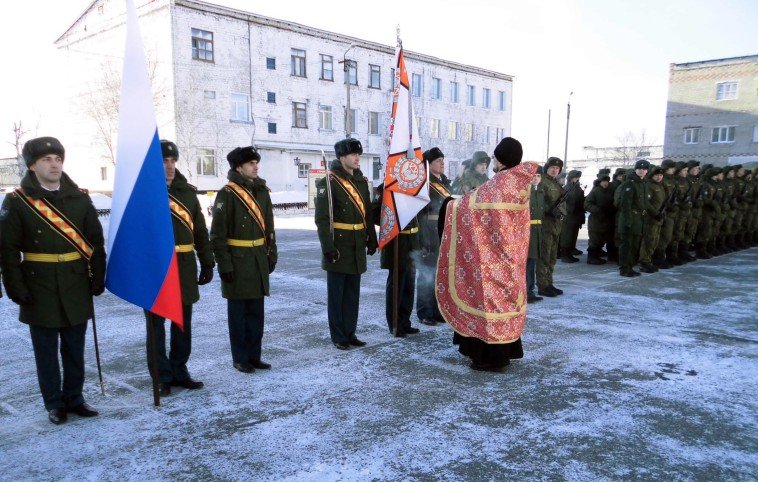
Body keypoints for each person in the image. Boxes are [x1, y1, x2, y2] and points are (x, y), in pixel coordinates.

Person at [0, 136, 106, 425]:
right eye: (47, 159)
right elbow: (7, 250)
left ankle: (75, 398)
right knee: (46, 351)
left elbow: (95, 242)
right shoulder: (17, 201)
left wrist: (98, 276)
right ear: (32, 165)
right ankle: (54, 403)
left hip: (75, 282)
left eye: (58, 158)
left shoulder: (80, 198)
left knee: (74, 347)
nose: (54, 163)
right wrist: (15, 287)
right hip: (39, 284)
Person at [436, 137, 536, 372]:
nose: (492, 160)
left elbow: (467, 207)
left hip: (491, 259)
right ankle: (505, 352)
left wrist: (449, 204)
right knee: (504, 302)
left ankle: (488, 357)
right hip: (511, 255)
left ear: (501, 160)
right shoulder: (518, 183)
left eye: (494, 156)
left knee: (488, 303)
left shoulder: (499, 184)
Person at [145, 140, 215, 396]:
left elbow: (199, 229)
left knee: (182, 323)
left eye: (173, 161)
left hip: (184, 265)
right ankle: (161, 376)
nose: (170, 166)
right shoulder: (143, 192)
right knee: (156, 326)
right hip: (156, 266)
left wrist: (207, 260)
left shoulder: (187, 192)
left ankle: (179, 370)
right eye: (164, 161)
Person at [211, 146, 277, 373]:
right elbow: (218, 235)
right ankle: (240, 357)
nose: (255, 166)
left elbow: (269, 227)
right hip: (238, 262)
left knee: (256, 313)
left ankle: (254, 355)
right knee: (238, 315)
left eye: (256, 162)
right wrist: (224, 264)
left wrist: (271, 253)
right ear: (239, 167)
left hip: (258, 258)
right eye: (251, 163)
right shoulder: (227, 194)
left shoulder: (261, 191)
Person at [315, 138, 378, 350]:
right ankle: (338, 335)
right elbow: (322, 219)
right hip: (339, 246)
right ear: (342, 157)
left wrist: (371, 237)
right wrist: (328, 247)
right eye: (353, 154)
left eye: (358, 154)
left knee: (352, 294)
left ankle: (350, 332)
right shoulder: (329, 181)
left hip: (356, 244)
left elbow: (367, 214)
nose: (357, 158)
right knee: (337, 295)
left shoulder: (360, 181)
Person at [416, 147, 451, 325]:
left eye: (443, 160)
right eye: (438, 161)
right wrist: (424, 239)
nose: (442, 163)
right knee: (426, 273)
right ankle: (424, 311)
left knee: (439, 274)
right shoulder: (425, 185)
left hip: (442, 230)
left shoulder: (445, 183)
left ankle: (437, 310)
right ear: (428, 165)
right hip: (429, 229)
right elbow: (420, 215)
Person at [537, 157, 566, 297]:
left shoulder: (556, 183)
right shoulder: (542, 182)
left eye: (557, 168)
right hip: (545, 225)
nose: (555, 170)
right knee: (544, 256)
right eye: (552, 168)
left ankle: (549, 282)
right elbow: (537, 201)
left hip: (555, 225)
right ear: (547, 168)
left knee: (552, 257)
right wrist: (549, 210)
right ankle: (542, 285)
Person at [615, 159, 649, 277]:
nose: (641, 171)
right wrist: (628, 220)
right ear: (635, 169)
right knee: (626, 245)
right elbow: (625, 203)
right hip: (629, 218)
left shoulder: (642, 183)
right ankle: (624, 268)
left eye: (644, 169)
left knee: (634, 245)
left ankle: (629, 267)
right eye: (639, 169)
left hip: (639, 219)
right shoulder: (630, 183)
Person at [639, 166, 666, 273]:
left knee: (654, 240)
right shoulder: (649, 186)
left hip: (658, 218)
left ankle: (649, 260)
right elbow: (647, 202)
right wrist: (655, 213)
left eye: (660, 175)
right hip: (650, 218)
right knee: (648, 241)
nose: (659, 177)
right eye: (656, 175)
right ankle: (644, 262)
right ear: (652, 175)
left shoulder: (660, 186)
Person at [584, 172, 613, 265]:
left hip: (604, 220)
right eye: (604, 181)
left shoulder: (607, 191)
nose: (606, 183)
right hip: (596, 220)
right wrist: (597, 209)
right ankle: (591, 258)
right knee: (594, 240)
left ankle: (596, 256)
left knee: (601, 239)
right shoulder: (595, 191)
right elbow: (587, 204)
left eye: (607, 181)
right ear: (599, 182)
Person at [559, 170, 585, 262]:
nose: (577, 179)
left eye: (578, 178)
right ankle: (565, 255)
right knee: (567, 236)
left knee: (573, 236)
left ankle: (569, 252)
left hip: (576, 217)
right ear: (571, 178)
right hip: (568, 217)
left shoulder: (577, 188)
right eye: (576, 177)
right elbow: (562, 203)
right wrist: (572, 208)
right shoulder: (566, 189)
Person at [527, 166, 544, 302]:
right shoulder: (527, 192)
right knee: (528, 263)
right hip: (528, 230)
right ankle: (527, 291)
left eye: (538, 176)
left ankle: (531, 290)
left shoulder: (540, 192)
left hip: (538, 230)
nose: (535, 178)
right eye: (533, 176)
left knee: (533, 261)